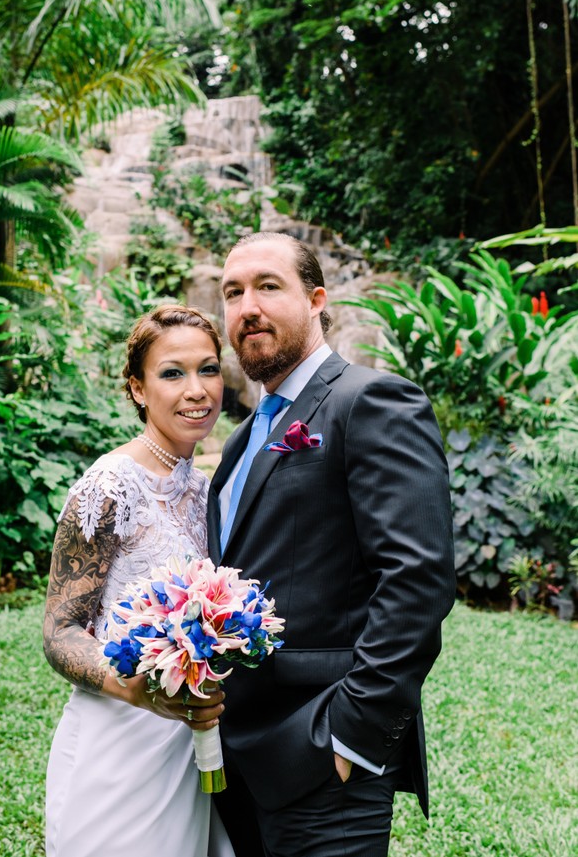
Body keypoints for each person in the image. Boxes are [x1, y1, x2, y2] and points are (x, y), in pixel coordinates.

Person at [208, 232, 456, 857]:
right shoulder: (241, 441)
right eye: (233, 293)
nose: (247, 307)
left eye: (268, 286)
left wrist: (349, 738)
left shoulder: (371, 401)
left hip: (325, 757)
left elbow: (417, 580)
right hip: (241, 757)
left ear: (317, 299)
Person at [43, 304, 235, 857]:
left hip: (191, 746)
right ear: (138, 388)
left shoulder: (206, 494)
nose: (197, 390)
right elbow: (60, 632)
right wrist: (140, 691)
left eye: (209, 369)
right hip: (119, 742)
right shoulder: (110, 486)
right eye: (172, 373)